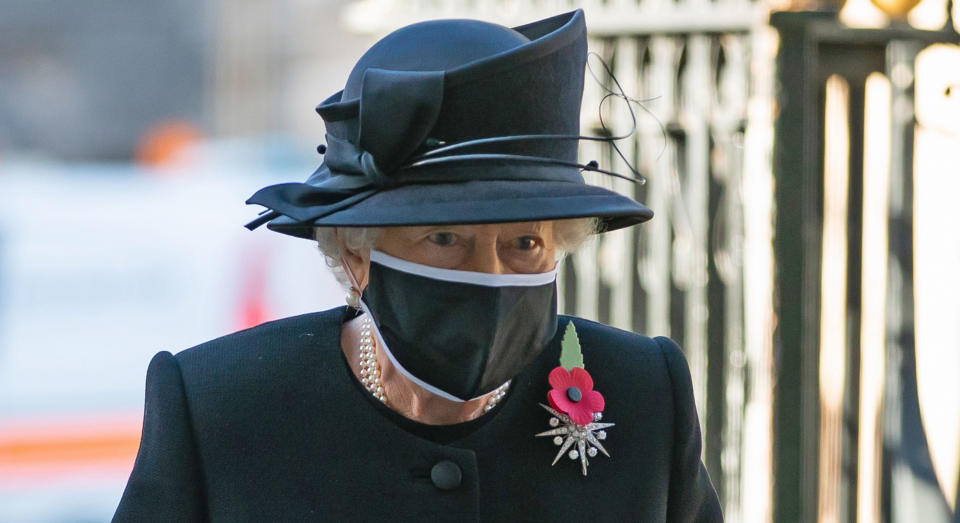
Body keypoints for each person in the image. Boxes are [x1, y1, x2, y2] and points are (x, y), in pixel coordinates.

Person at [113, 9, 722, 522]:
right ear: (356, 249)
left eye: (524, 244)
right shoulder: (220, 405)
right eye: (444, 238)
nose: (491, 274)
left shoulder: (642, 391)